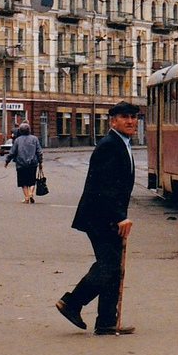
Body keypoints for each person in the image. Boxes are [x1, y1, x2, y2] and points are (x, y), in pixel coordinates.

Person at [56, 101, 141, 336]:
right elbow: (104, 185)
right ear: (112, 121)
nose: (130, 121)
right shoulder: (109, 145)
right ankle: (72, 303)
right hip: (100, 216)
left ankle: (106, 322)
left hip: (105, 215)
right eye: (124, 117)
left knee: (114, 267)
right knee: (109, 265)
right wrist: (119, 217)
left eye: (133, 117)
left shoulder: (121, 143)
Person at [5, 122, 43, 203]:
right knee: (32, 180)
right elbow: (39, 151)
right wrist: (40, 162)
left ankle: (26, 197)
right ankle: (30, 193)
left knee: (23, 182)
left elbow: (12, 152)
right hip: (33, 163)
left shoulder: (18, 140)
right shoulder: (34, 139)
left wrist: (7, 161)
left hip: (20, 163)